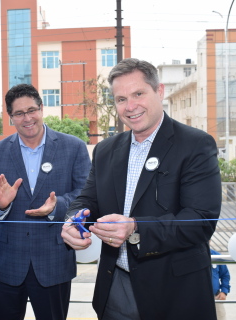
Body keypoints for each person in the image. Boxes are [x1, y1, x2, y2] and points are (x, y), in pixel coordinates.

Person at [61, 58, 222, 320]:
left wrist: (135, 227)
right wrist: (72, 222)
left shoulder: (195, 145)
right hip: (116, 288)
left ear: (159, 91)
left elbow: (200, 220)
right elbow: (86, 200)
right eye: (121, 99)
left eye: (138, 94)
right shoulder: (105, 151)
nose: (130, 106)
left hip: (175, 292)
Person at [0, 83, 91, 320]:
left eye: (32, 110)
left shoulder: (74, 147)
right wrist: (1, 205)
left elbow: (86, 195)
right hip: (5, 264)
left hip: (53, 261)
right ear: (11, 117)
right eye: (19, 113)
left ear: (41, 108)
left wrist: (56, 207)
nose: (27, 118)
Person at [211, 248, 230, 320]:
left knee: (220, 317)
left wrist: (224, 291)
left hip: (215, 296)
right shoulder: (191, 255)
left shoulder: (216, 256)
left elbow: (225, 275)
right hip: (196, 297)